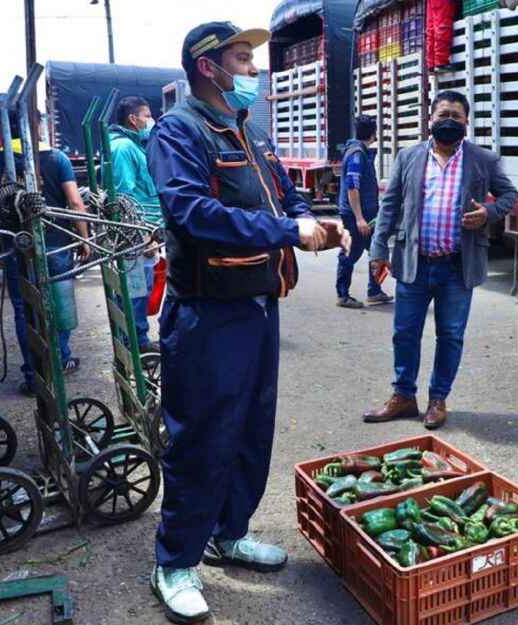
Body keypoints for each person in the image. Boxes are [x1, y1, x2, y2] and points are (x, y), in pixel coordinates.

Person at [145, 22, 350, 624]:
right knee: (202, 438)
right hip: (208, 314)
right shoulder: (178, 132)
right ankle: (175, 562)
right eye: (243, 58)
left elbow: (287, 194)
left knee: (250, 430)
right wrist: (289, 231)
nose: (255, 70)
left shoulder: (250, 133)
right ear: (209, 68)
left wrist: (311, 218)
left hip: (259, 305)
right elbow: (191, 212)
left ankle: (229, 533)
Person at [364, 90, 518, 430]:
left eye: (456, 117)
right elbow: (389, 206)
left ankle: (438, 398)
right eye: (442, 115)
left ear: (466, 123)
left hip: (456, 266)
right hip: (413, 262)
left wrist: (489, 212)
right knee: (404, 333)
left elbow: (510, 195)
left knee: (450, 335)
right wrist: (378, 250)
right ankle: (403, 396)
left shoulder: (482, 159)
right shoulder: (408, 157)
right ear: (430, 119)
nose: (448, 122)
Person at [0, 118, 91, 396]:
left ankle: (33, 373)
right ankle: (60, 358)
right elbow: (75, 202)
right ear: (38, 128)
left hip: (15, 244)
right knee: (59, 301)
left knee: (23, 307)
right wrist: (84, 238)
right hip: (56, 243)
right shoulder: (56, 158)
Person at [109, 95, 163, 352]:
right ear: (134, 119)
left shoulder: (134, 146)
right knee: (136, 290)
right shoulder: (123, 148)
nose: (151, 121)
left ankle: (136, 338)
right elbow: (124, 197)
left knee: (142, 287)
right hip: (136, 235)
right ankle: (135, 342)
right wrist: (142, 236)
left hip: (144, 231)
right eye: (148, 116)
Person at [336, 114, 392, 309]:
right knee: (350, 252)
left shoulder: (360, 152)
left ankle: (375, 291)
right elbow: (352, 187)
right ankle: (343, 295)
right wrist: (359, 218)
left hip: (368, 215)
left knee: (378, 250)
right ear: (374, 133)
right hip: (357, 217)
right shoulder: (357, 155)